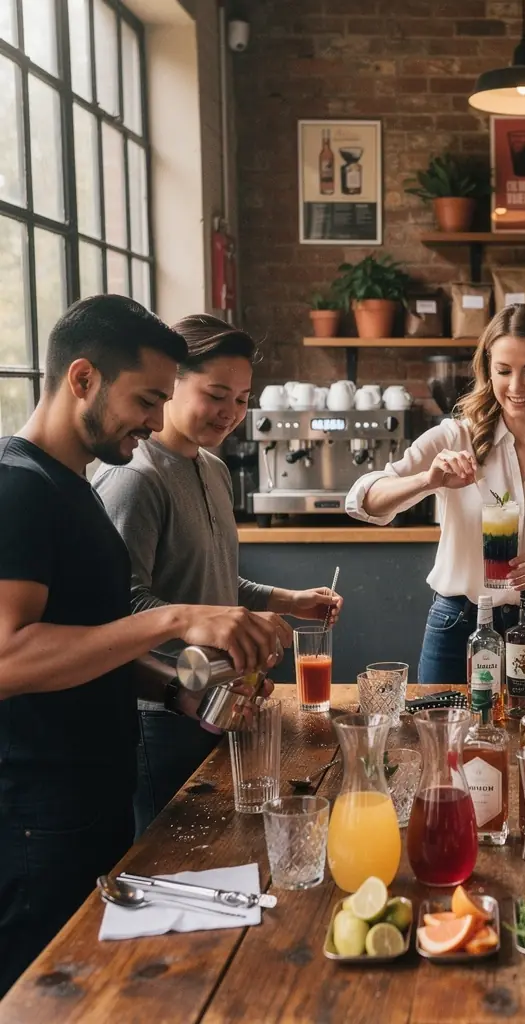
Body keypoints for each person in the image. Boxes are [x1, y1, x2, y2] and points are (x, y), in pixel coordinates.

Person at [0, 296, 292, 997]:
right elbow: (8, 659)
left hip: (96, 792)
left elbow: (89, 642)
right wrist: (175, 620)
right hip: (38, 812)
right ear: (81, 379)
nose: (159, 420)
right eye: (148, 398)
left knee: (95, 993)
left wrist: (175, 691)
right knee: (41, 997)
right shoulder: (19, 489)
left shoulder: (74, 491)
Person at [93, 314, 341, 837]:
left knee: (220, 846)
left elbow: (215, 579)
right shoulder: (134, 478)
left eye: (243, 399)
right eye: (217, 394)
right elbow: (117, 605)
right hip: (159, 711)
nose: (230, 412)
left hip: (220, 698)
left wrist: (290, 600)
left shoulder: (214, 468)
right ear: (171, 383)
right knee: (168, 857)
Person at [346, 303, 525, 685]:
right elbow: (362, 499)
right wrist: (429, 480)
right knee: (443, 740)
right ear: (488, 371)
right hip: (458, 624)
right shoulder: (454, 438)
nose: (516, 387)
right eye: (503, 371)